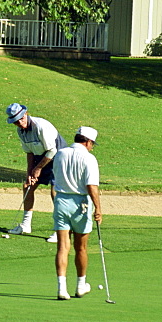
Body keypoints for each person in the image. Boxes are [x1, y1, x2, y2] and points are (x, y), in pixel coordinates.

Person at [51, 126, 102, 300]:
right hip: (81, 204)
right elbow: (91, 186)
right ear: (88, 142)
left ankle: (61, 289)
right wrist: (99, 208)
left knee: (63, 247)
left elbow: (56, 176)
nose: (92, 147)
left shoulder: (60, 153)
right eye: (92, 144)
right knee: (81, 247)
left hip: (61, 201)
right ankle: (81, 286)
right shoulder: (89, 158)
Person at [5, 102, 67, 242]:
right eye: (15, 121)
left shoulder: (41, 126)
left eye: (21, 119)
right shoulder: (20, 131)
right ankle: (25, 225)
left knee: (55, 192)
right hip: (41, 158)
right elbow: (29, 153)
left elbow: (52, 150)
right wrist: (29, 173)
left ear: (26, 114)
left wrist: (38, 168)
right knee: (28, 186)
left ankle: (60, 230)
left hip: (58, 157)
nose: (19, 123)